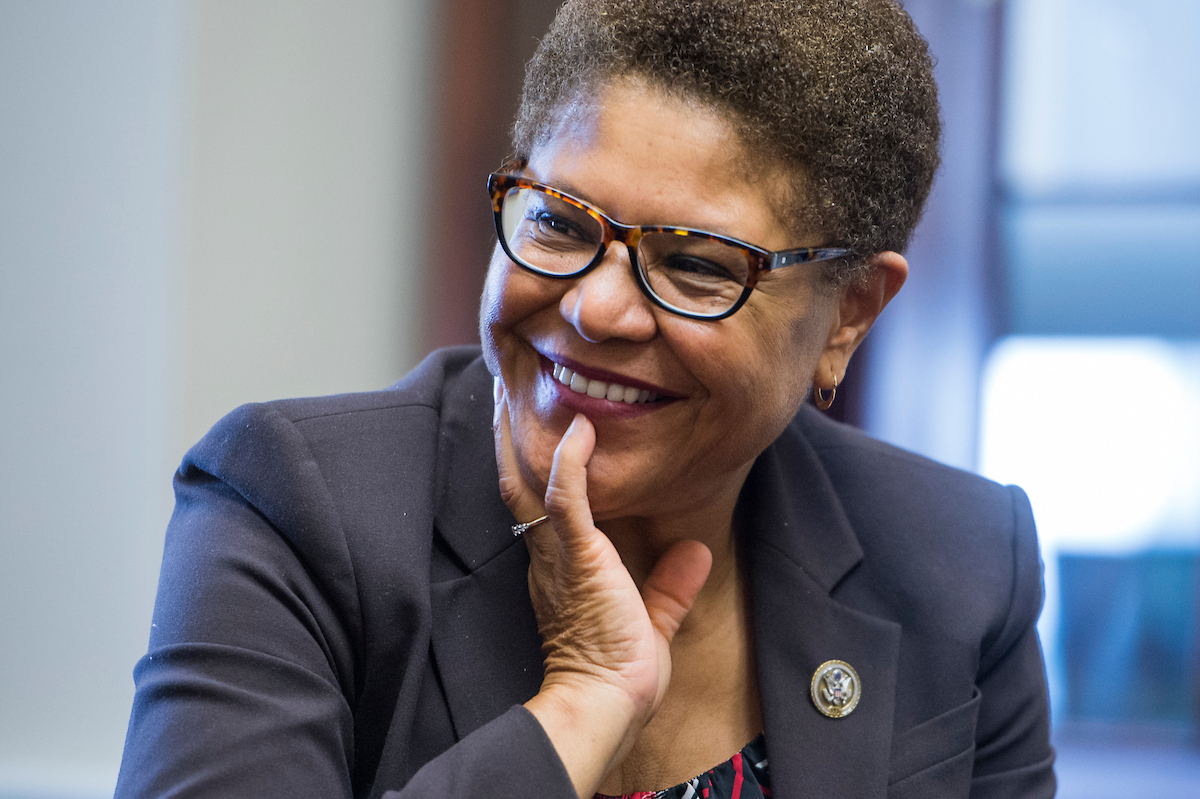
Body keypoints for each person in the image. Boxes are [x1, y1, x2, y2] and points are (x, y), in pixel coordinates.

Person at [116, 1, 1055, 797]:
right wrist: (581, 702)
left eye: (692, 265)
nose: (595, 307)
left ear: (848, 314)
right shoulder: (295, 506)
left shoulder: (961, 566)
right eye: (562, 222)